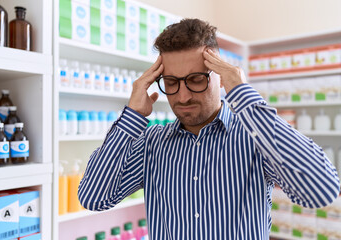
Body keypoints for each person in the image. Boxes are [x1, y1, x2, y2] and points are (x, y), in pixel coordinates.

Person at [78, 18, 340, 239]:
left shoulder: (254, 137)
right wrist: (131, 117)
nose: (182, 97)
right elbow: (94, 197)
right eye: (171, 83)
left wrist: (243, 94)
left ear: (219, 75)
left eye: (195, 79)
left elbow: (320, 190)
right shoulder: (151, 143)